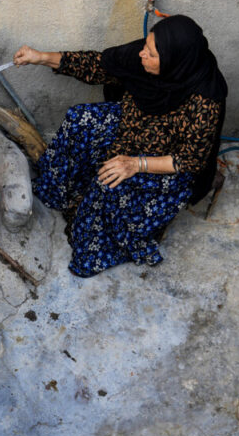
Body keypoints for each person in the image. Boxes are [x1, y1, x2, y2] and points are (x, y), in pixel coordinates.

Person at [13, 15, 228, 277]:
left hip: (164, 162)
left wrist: (135, 164)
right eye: (145, 46)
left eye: (150, 53)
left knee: (111, 180)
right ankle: (60, 192)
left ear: (174, 62)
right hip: (132, 124)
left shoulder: (206, 99)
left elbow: (188, 161)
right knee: (79, 119)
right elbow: (98, 65)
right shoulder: (145, 56)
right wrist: (41, 57)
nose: (141, 54)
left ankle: (94, 246)